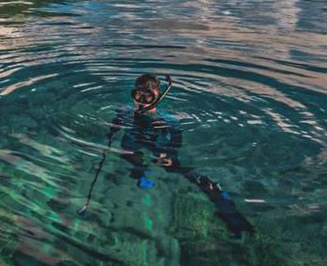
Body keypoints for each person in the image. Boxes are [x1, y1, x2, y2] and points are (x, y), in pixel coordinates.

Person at [109, 73, 254, 237]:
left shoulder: (168, 120)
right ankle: (140, 172)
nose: (141, 102)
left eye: (147, 97)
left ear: (158, 97)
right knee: (128, 154)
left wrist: (168, 153)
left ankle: (223, 203)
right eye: (138, 96)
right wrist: (112, 132)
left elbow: (176, 139)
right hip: (133, 142)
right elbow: (113, 127)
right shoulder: (124, 111)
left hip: (158, 146)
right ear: (133, 94)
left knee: (179, 169)